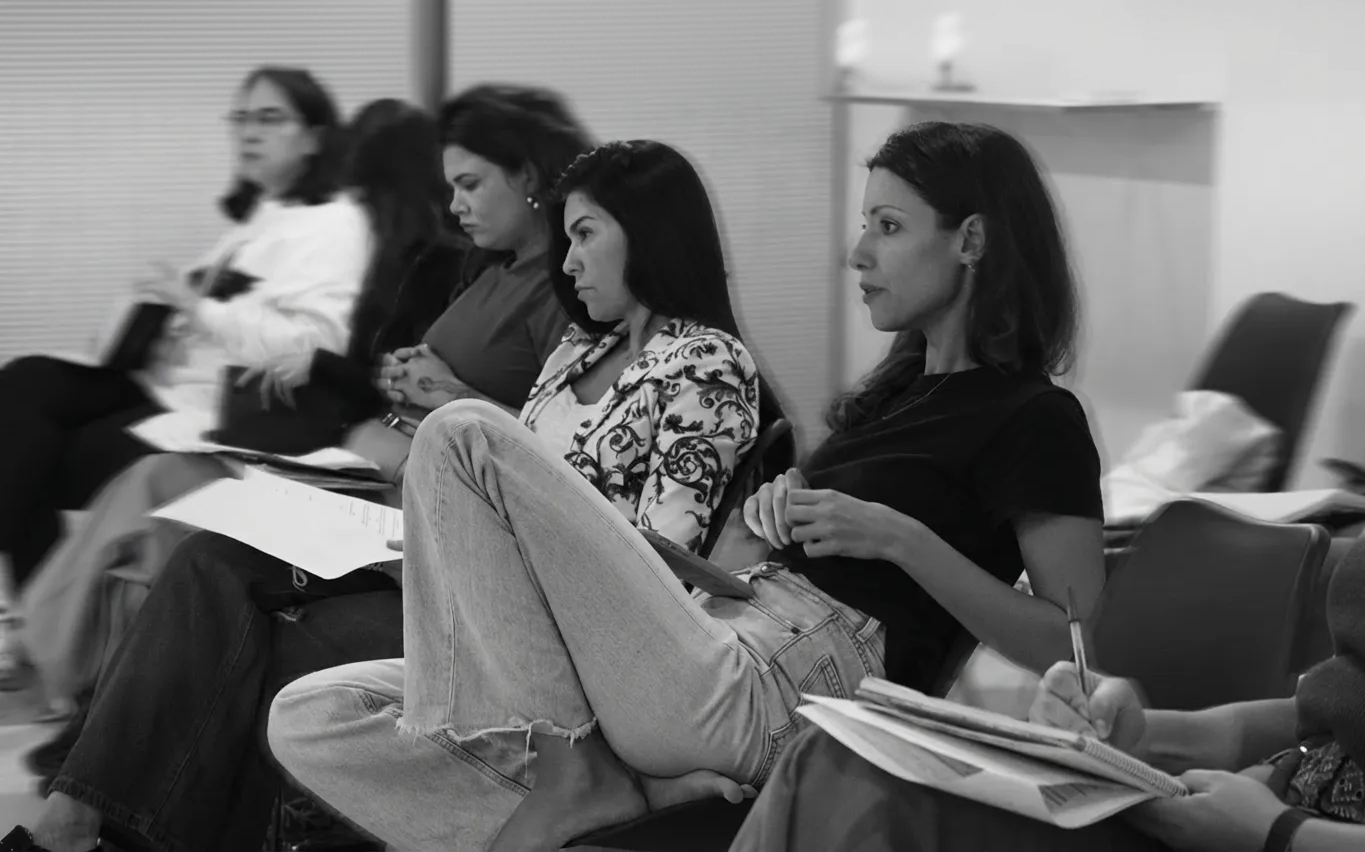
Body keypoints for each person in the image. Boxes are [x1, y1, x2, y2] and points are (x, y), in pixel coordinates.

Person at [265, 121, 1104, 851]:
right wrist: (762, 523)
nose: (859, 253)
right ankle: (619, 800)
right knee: (315, 713)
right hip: (719, 630)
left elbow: (1072, 646)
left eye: (888, 227)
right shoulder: (895, 395)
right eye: (865, 225)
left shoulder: (1035, 416)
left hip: (794, 692)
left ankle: (579, 783)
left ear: (973, 240)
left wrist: (899, 538)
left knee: (462, 435)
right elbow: (739, 557)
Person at [6, 98, 468, 702]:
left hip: (357, 448)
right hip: (319, 430)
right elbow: (355, 362)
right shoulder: (367, 256)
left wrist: (331, 366)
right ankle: (68, 672)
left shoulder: (428, 265)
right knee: (54, 426)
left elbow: (390, 378)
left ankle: (65, 670)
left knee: (152, 498)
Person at [728, 535, 1365, 852]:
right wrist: (1145, 732)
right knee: (832, 756)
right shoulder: (892, 403)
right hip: (1268, 801)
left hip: (1278, 831)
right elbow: (1331, 706)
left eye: (880, 252)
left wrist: (1281, 834)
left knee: (863, 790)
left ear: (973, 257)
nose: (858, 259)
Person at [0, 66, 366, 587]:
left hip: (209, 409)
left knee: (38, 458)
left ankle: (40, 620)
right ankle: (36, 618)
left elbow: (314, 347)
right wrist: (159, 309)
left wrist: (198, 307)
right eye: (240, 118)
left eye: (269, 118)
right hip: (159, 381)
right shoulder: (264, 213)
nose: (248, 132)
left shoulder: (333, 224)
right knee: (25, 382)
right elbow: (214, 303)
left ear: (315, 136)